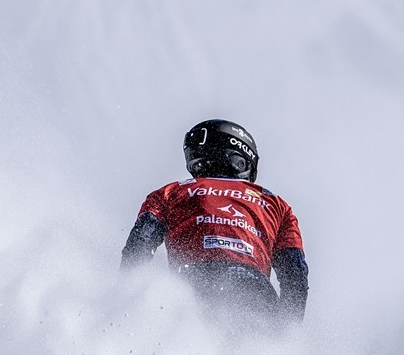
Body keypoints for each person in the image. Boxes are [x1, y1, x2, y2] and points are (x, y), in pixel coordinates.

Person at [121, 119, 308, 332]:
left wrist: (126, 305)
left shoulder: (170, 192)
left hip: (189, 285)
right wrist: (287, 337)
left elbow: (138, 248)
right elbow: (295, 277)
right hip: (254, 290)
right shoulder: (276, 204)